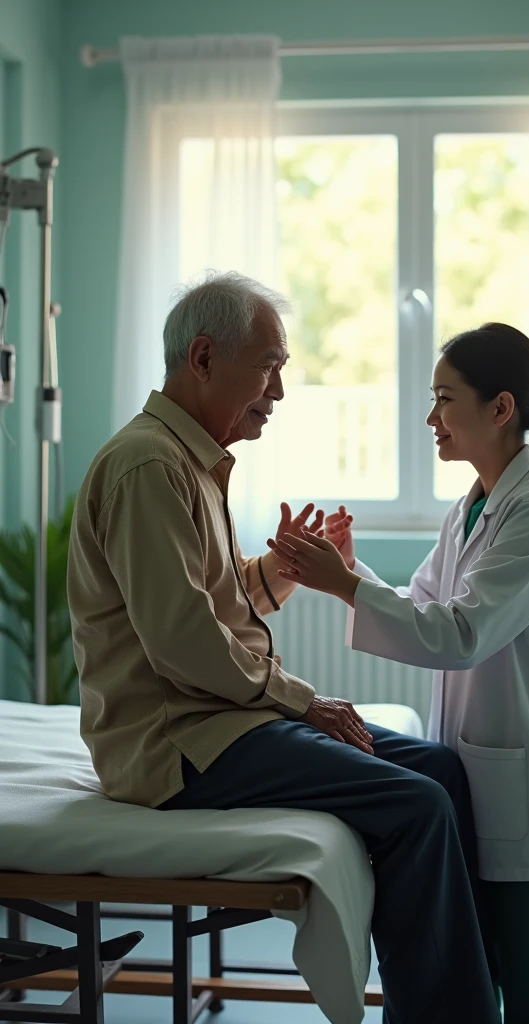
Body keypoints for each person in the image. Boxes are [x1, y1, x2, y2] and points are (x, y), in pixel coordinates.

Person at [67, 271, 500, 1024]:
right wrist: (307, 701)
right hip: (178, 743)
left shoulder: (186, 462)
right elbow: (183, 643)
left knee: (440, 770)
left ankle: (452, 998)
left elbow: (205, 603)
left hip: (217, 720)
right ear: (204, 358)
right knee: (418, 805)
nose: (279, 390)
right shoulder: (149, 466)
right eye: (269, 366)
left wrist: (279, 571)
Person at [268, 322, 529, 1024]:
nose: (431, 419)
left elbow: (461, 635)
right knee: (488, 971)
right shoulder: (474, 506)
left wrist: (347, 586)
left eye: (444, 400)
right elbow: (427, 604)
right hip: (487, 774)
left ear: (501, 408)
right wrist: (348, 569)